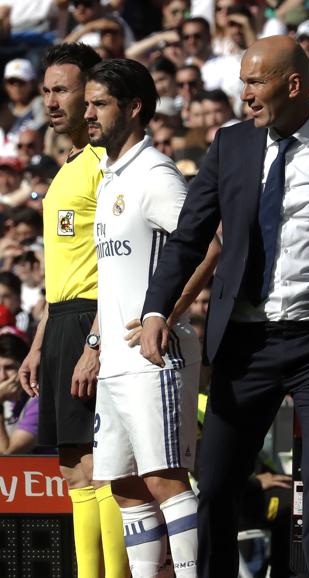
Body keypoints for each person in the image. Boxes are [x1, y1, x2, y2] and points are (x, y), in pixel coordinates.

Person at [140, 35, 309, 578]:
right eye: (241, 82)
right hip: (244, 344)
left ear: (293, 84)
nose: (244, 95)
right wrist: (154, 311)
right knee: (214, 487)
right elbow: (189, 238)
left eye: (255, 83)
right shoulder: (230, 144)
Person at [84, 58, 220, 578]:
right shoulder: (109, 175)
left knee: (165, 477)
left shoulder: (155, 173)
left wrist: (164, 315)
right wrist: (95, 343)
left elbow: (209, 245)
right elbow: (115, 277)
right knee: (123, 483)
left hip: (154, 356)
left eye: (99, 104)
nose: (88, 113)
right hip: (115, 357)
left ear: (134, 107)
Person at [18, 43, 129, 578]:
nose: (52, 101)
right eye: (46, 91)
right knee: (72, 467)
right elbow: (67, 267)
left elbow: (115, 262)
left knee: (99, 463)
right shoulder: (70, 166)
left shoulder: (108, 164)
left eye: (62, 89)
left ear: (92, 92)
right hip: (62, 318)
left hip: (94, 319)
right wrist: (40, 343)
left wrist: (95, 340)